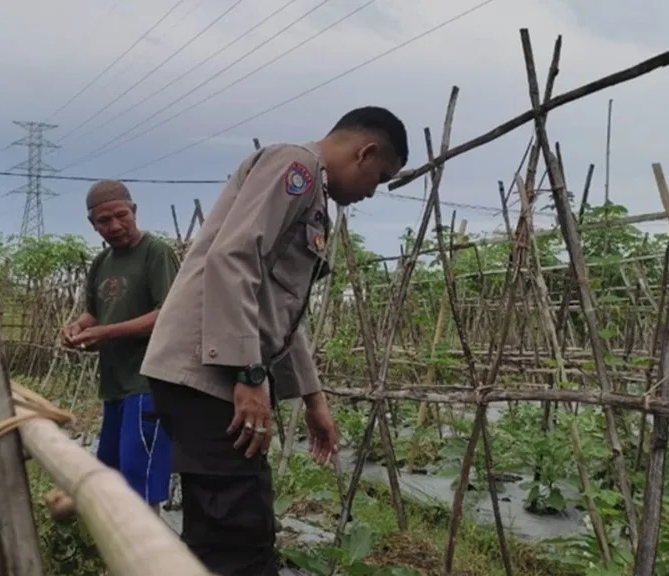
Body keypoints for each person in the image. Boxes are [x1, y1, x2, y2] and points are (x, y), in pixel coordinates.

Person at [141, 106, 409, 575]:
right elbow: (233, 257)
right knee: (239, 531)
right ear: (364, 152)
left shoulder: (314, 198)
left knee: (221, 526)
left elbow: (280, 311)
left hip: (209, 370)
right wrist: (246, 373)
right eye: (379, 177)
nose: (372, 192)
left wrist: (314, 398)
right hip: (207, 371)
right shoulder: (296, 168)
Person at [46, 179, 180, 519]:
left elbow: (168, 315)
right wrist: (77, 327)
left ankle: (145, 560)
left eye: (121, 215)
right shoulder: (102, 262)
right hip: (115, 385)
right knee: (114, 474)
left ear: (134, 211)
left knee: (140, 484)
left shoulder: (156, 254)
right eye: (104, 221)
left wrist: (107, 333)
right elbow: (94, 312)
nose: (115, 226)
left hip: (148, 383)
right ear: (93, 225)